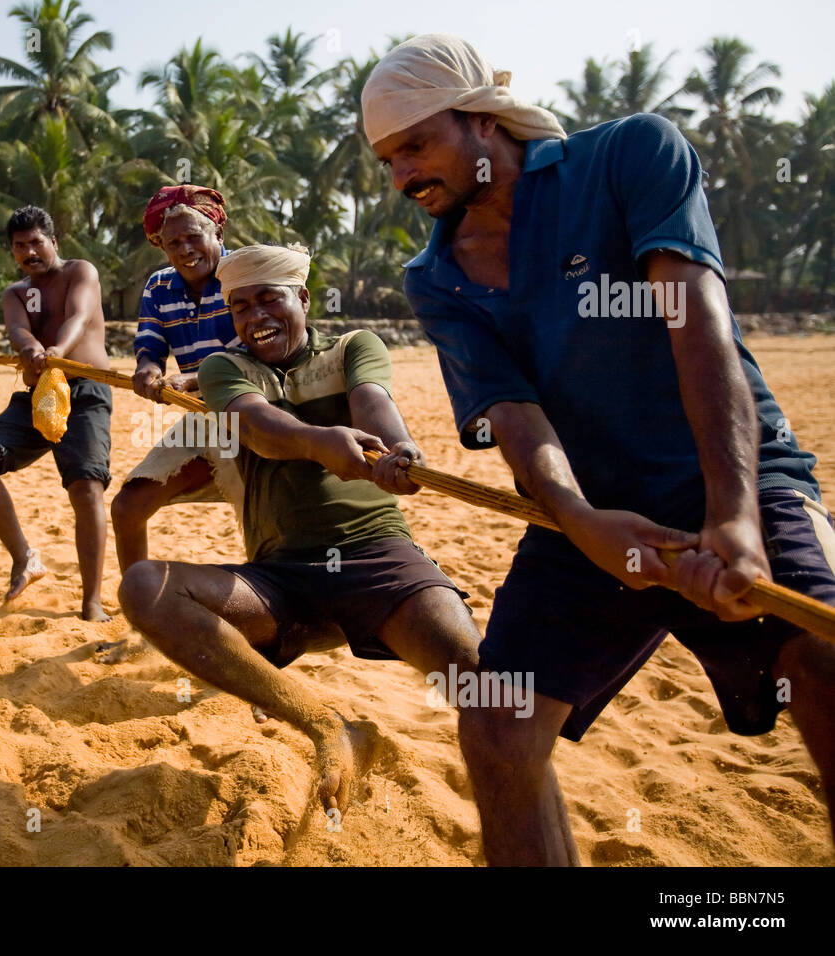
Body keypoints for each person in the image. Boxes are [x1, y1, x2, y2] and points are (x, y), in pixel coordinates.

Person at [364, 33, 835, 864]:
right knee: (497, 727)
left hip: (733, 482)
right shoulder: (436, 277)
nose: (403, 176)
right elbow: (515, 417)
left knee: (826, 669)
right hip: (585, 517)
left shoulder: (630, 155)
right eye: (388, 160)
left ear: (481, 119)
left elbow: (701, 326)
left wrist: (733, 516)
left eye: (415, 145)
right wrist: (583, 523)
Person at [119, 244, 483, 817]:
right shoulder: (224, 367)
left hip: (379, 561)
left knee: (480, 683)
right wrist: (321, 443)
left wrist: (400, 449)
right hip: (279, 582)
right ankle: (323, 723)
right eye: (240, 307)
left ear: (304, 299)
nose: (255, 317)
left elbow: (374, 403)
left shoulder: (351, 348)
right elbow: (261, 429)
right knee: (145, 588)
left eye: (269, 299)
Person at [0, 206, 113, 622]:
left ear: (53, 242)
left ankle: (92, 602)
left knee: (86, 488)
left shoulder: (81, 271)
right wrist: (29, 348)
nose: (29, 252)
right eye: (20, 246)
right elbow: (17, 329)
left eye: (36, 243)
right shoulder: (14, 292)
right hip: (38, 394)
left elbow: (78, 315)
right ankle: (24, 557)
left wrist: (59, 353)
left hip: (85, 390)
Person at [110, 185, 245, 573]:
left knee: (265, 522)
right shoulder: (158, 286)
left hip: (257, 414)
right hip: (203, 420)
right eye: (173, 243)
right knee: (127, 507)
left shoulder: (245, 274)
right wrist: (147, 370)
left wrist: (198, 381)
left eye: (193, 237)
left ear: (218, 234)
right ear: (162, 247)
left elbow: (260, 353)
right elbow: (150, 345)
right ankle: (140, 609)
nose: (185, 249)